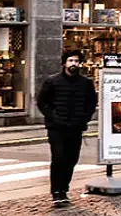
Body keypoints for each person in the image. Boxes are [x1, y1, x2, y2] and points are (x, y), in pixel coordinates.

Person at [37, 52, 97, 207]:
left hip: (76, 128)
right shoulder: (52, 81)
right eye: (70, 60)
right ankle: (56, 192)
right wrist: (53, 117)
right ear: (64, 63)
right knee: (58, 158)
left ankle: (64, 188)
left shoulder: (86, 83)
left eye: (76, 61)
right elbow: (42, 102)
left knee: (71, 160)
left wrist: (84, 118)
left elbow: (91, 103)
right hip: (57, 128)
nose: (74, 63)